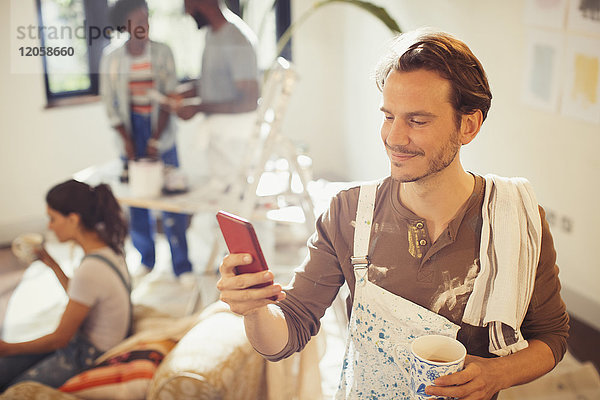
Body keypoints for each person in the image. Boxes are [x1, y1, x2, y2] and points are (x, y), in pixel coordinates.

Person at [216, 29, 570, 399]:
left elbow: (552, 336)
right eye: (389, 116)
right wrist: (256, 310)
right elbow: (288, 331)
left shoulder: (514, 218)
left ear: (468, 126)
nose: (394, 138)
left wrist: (498, 373)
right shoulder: (349, 214)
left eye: (417, 121)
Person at [0, 179, 131, 390]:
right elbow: (82, 294)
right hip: (89, 343)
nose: (49, 226)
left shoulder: (89, 270)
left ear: (73, 219)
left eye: (52, 218)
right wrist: (52, 264)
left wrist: (7, 348)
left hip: (87, 354)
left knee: (17, 388)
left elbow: (59, 339)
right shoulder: (109, 250)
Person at [99, 0, 193, 282]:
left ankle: (182, 265)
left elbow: (169, 97)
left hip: (160, 131)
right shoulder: (111, 58)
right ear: (124, 25)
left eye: (147, 19)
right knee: (137, 198)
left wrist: (154, 140)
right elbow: (110, 103)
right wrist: (129, 143)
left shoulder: (163, 52)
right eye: (138, 20)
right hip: (129, 131)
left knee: (172, 197)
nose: (145, 25)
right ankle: (146, 259)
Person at [174, 0, 259, 192]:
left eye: (189, 5)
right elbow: (216, 82)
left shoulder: (237, 39)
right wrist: (184, 93)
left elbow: (249, 102)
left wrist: (197, 107)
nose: (187, 12)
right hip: (218, 141)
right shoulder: (212, 35)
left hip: (235, 141)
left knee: (234, 200)